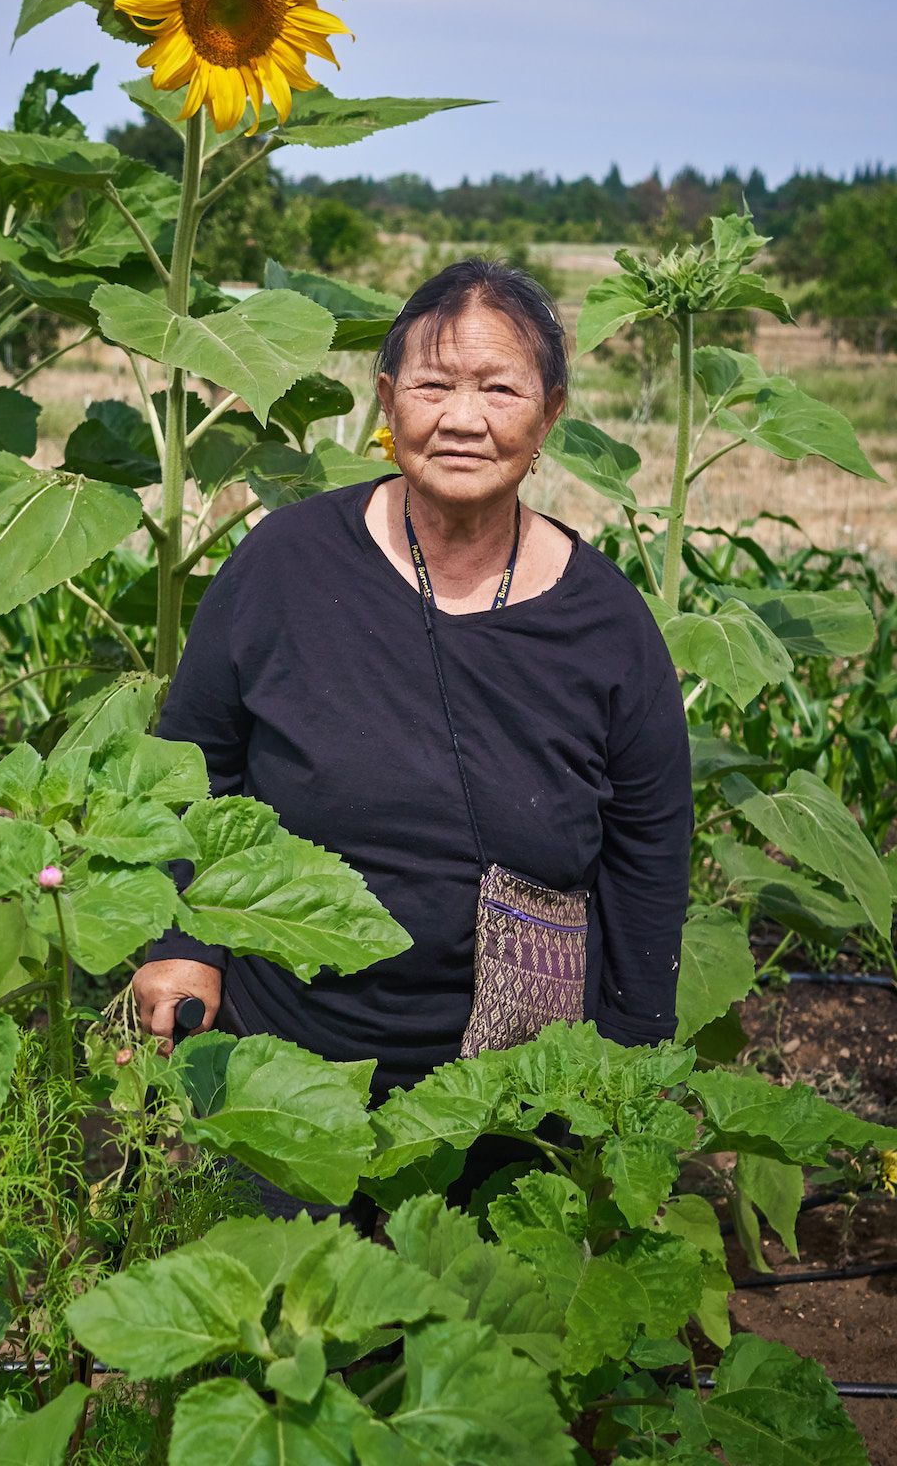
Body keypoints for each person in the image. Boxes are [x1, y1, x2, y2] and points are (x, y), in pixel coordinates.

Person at [132, 257, 692, 1216]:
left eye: (500, 389)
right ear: (387, 401)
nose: (463, 419)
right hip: (288, 1071)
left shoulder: (605, 626)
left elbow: (648, 850)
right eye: (432, 385)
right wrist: (181, 940)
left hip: (510, 1100)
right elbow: (192, 767)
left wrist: (634, 1057)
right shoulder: (286, 567)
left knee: (478, 1343)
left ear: (550, 412)